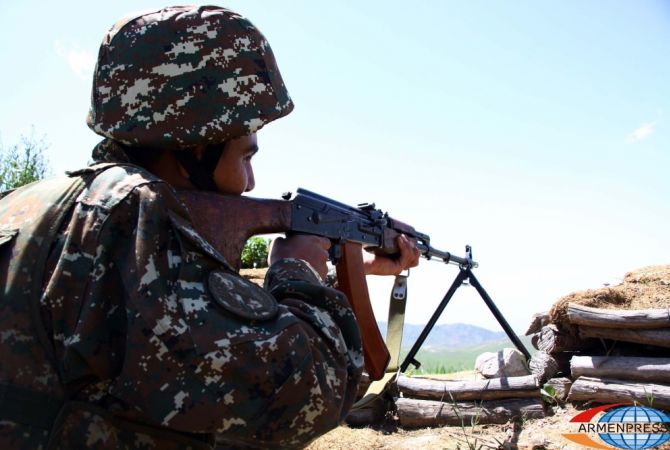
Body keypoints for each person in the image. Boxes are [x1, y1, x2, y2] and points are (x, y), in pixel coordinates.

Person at [0, 5, 419, 449]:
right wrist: (298, 273)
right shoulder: (135, 217)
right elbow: (304, 396)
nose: (251, 182)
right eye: (246, 157)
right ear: (195, 149)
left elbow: (199, 313)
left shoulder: (26, 206)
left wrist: (347, 270)